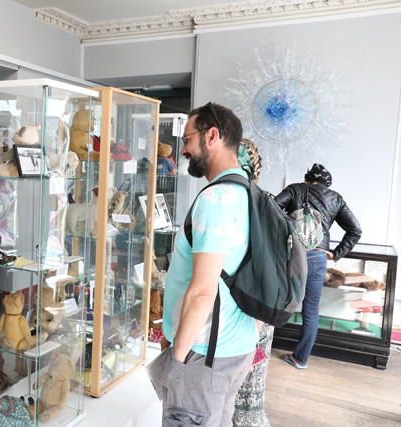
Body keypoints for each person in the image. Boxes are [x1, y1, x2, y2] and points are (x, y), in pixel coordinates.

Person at [150, 102, 258, 427]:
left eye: (187, 140)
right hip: (237, 347)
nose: (183, 150)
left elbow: (202, 291)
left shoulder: (216, 199)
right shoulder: (251, 194)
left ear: (211, 136)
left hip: (204, 356)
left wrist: (176, 360)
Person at [274, 163, 361, 369]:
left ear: (307, 179)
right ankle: (300, 359)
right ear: (327, 184)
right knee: (311, 310)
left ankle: (259, 348)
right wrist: (336, 253)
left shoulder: (295, 189)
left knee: (275, 298)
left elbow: (272, 209)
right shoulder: (335, 198)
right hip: (318, 258)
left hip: (291, 254)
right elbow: (355, 230)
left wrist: (290, 226)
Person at [232, 138, 274, 427]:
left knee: (240, 396)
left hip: (248, 315)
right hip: (258, 313)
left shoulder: (242, 203)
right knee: (249, 396)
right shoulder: (264, 201)